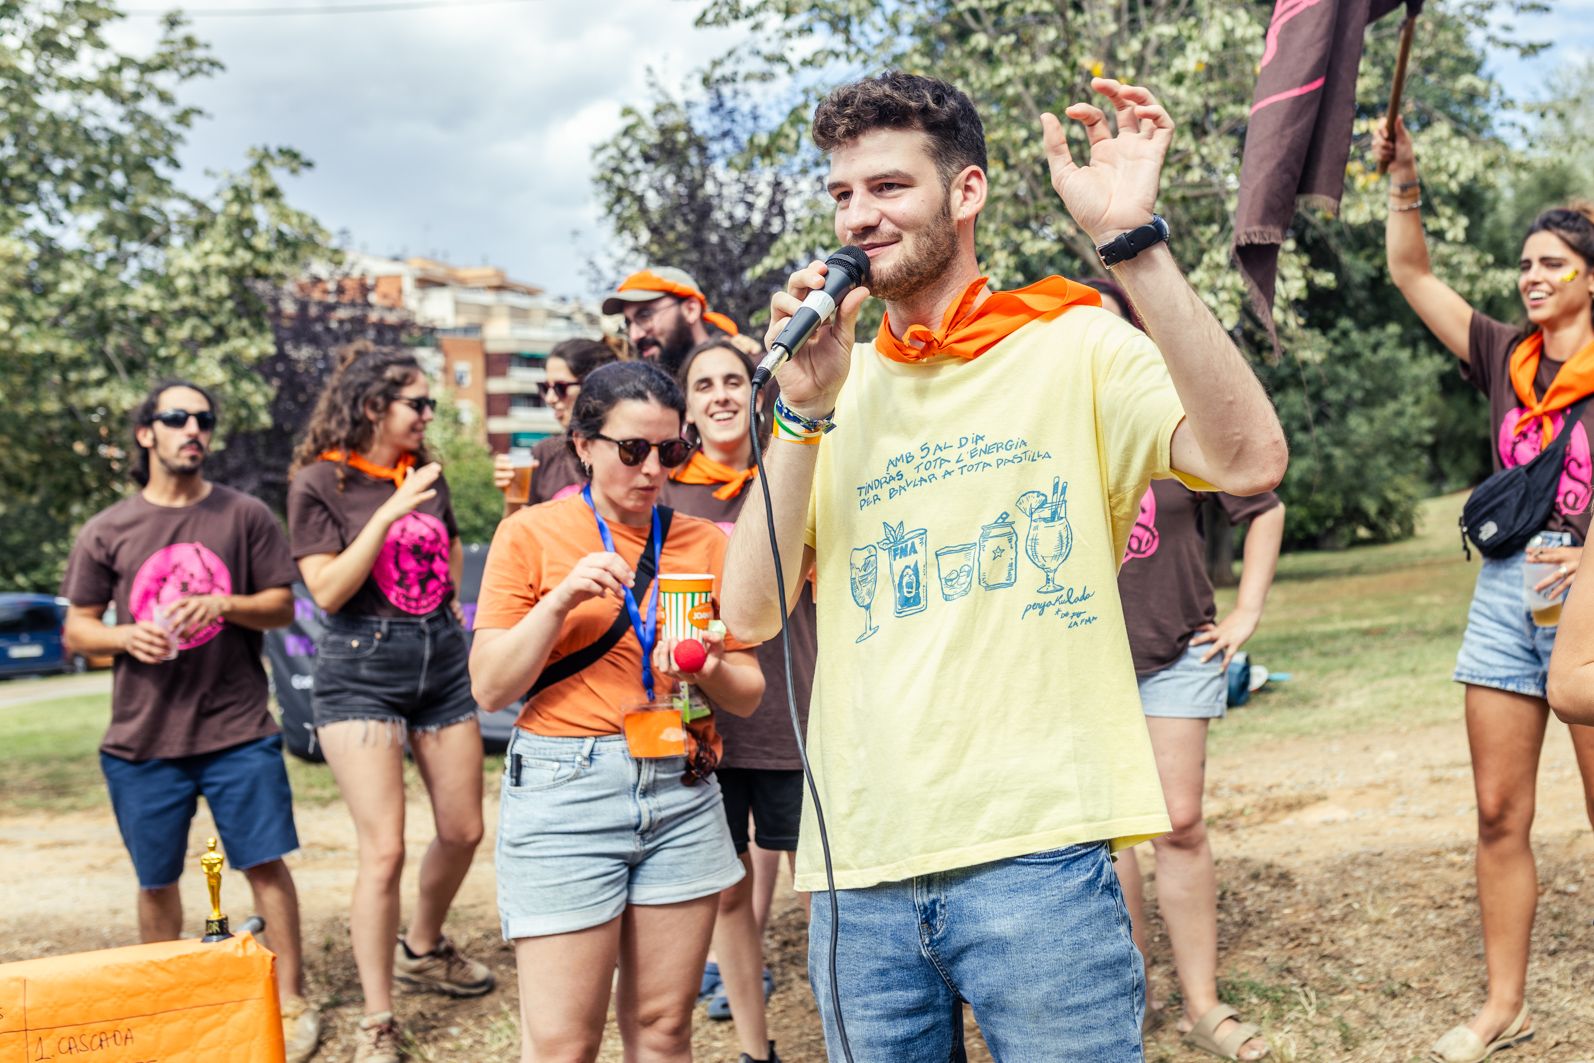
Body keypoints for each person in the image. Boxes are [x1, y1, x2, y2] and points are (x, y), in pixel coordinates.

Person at [720, 71, 1287, 1059]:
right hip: (859, 869)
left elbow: (1248, 460)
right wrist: (802, 413)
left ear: (966, 193)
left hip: (1038, 857)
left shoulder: (1072, 343)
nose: (858, 216)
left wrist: (1136, 248)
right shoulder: (827, 387)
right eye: (842, 195)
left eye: (889, 187)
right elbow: (750, 611)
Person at [470, 359, 766, 1063]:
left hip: (681, 783)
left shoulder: (700, 542)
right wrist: (561, 599)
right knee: (565, 1043)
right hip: (566, 786)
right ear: (584, 444)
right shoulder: (530, 535)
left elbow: (748, 690)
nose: (653, 469)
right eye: (632, 449)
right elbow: (489, 686)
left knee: (665, 1029)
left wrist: (703, 660)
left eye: (672, 450)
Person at [1375, 120, 1594, 1062]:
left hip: (1591, 592)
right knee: (1499, 812)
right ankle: (1505, 1004)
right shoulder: (1506, 354)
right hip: (1507, 594)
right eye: (1525, 263)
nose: (1531, 276)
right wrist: (1404, 185)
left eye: (1552, 263)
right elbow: (1413, 275)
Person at [60, 379, 321, 1062]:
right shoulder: (107, 529)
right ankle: (172, 1000)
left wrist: (225, 604)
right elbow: (78, 628)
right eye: (176, 417)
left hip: (237, 729)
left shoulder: (246, 517)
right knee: (156, 878)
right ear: (146, 433)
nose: (192, 428)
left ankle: (290, 998)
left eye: (203, 418)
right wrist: (124, 638)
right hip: (142, 739)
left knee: (264, 862)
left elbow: (281, 606)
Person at [1092, 272, 1287, 1063]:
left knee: (1177, 821)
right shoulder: (1049, 427)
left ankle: (1203, 1002)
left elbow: (1261, 503)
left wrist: (1246, 612)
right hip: (1087, 661)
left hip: (1175, 650)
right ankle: (1128, 995)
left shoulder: (1168, 417)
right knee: (1110, 835)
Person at [287, 349, 494, 1063]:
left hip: (441, 660)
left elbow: (456, 548)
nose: (428, 415)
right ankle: (378, 1020)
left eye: (430, 403)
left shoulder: (428, 479)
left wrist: (459, 621)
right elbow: (328, 590)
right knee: (385, 849)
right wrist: (389, 514)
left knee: (465, 829)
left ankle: (423, 944)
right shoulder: (320, 481)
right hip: (361, 669)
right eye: (417, 403)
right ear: (373, 406)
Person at [662, 338, 819, 1063]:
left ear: (758, 393)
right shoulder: (665, 497)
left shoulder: (793, 472)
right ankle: (759, 1051)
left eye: (734, 380)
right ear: (687, 407)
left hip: (798, 708)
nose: (722, 394)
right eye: (704, 385)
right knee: (728, 892)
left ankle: (849, 1030)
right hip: (709, 727)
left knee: (819, 887)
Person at [492, 337, 621, 516]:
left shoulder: (631, 452)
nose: (550, 399)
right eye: (545, 387)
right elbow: (515, 535)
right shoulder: (545, 454)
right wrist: (512, 495)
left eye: (560, 387)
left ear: (595, 387)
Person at [603, 266, 743, 374]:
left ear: (690, 310)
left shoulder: (752, 371)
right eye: (628, 323)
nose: (634, 336)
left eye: (644, 315)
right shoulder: (654, 396)